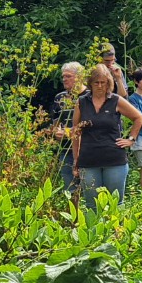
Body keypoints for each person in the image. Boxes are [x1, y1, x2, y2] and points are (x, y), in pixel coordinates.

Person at [72, 64, 142, 206]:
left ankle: (117, 229)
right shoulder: (82, 102)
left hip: (114, 159)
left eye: (103, 82)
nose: (100, 86)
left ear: (108, 83)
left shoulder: (115, 100)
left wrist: (131, 139)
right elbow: (75, 131)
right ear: (90, 83)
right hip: (88, 160)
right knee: (92, 204)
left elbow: (138, 117)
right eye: (96, 82)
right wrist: (76, 158)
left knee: (115, 203)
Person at [48, 62, 83, 192]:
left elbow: (94, 125)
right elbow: (55, 124)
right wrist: (55, 132)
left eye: (68, 76)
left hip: (86, 150)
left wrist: (69, 132)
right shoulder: (60, 98)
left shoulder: (89, 96)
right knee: (70, 190)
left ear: (79, 77)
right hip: (65, 150)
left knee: (89, 189)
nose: (64, 79)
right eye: (63, 76)